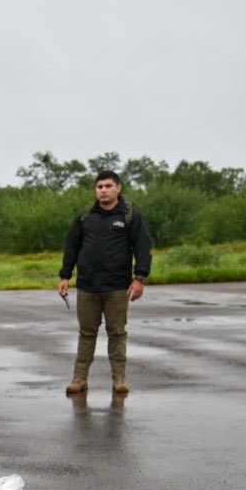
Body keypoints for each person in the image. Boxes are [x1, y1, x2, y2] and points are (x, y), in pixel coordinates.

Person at [56, 170, 152, 401]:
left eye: (108, 186)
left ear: (118, 188)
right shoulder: (85, 217)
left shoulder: (130, 216)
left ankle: (119, 379)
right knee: (86, 334)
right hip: (88, 286)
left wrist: (139, 278)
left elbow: (142, 247)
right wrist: (65, 275)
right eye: (99, 186)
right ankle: (79, 379)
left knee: (117, 333)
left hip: (118, 287)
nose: (103, 190)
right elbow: (72, 247)